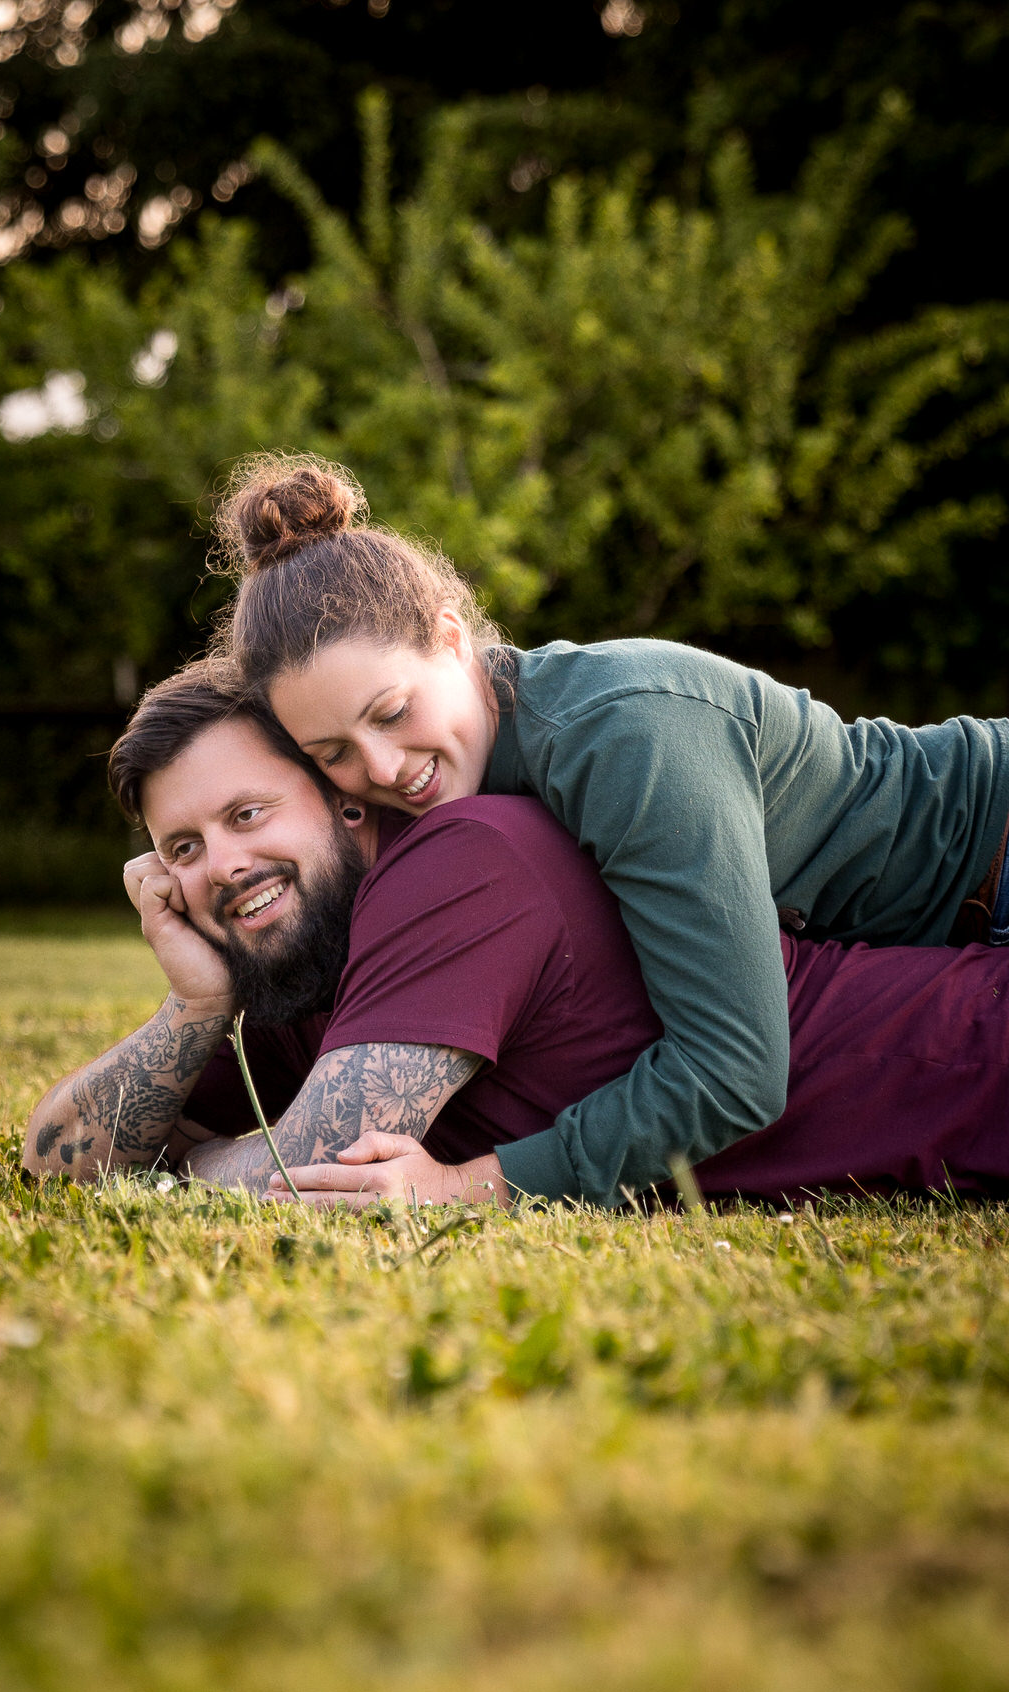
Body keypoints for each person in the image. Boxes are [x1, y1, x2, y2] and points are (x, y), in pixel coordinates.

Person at [217, 455, 1009, 1208]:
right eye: (334, 755)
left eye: (392, 713)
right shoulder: (437, 786)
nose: (383, 768)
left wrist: (472, 1184)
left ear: (455, 640)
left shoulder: (623, 738)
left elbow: (733, 1070)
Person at [23, 659, 1009, 1208]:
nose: (221, 868)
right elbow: (56, 1159)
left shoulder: (465, 861)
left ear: (346, 803)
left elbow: (314, 1167)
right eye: (181, 847)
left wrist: (193, 1162)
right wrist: (194, 1003)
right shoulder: (288, 975)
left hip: (971, 1068)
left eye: (247, 817)